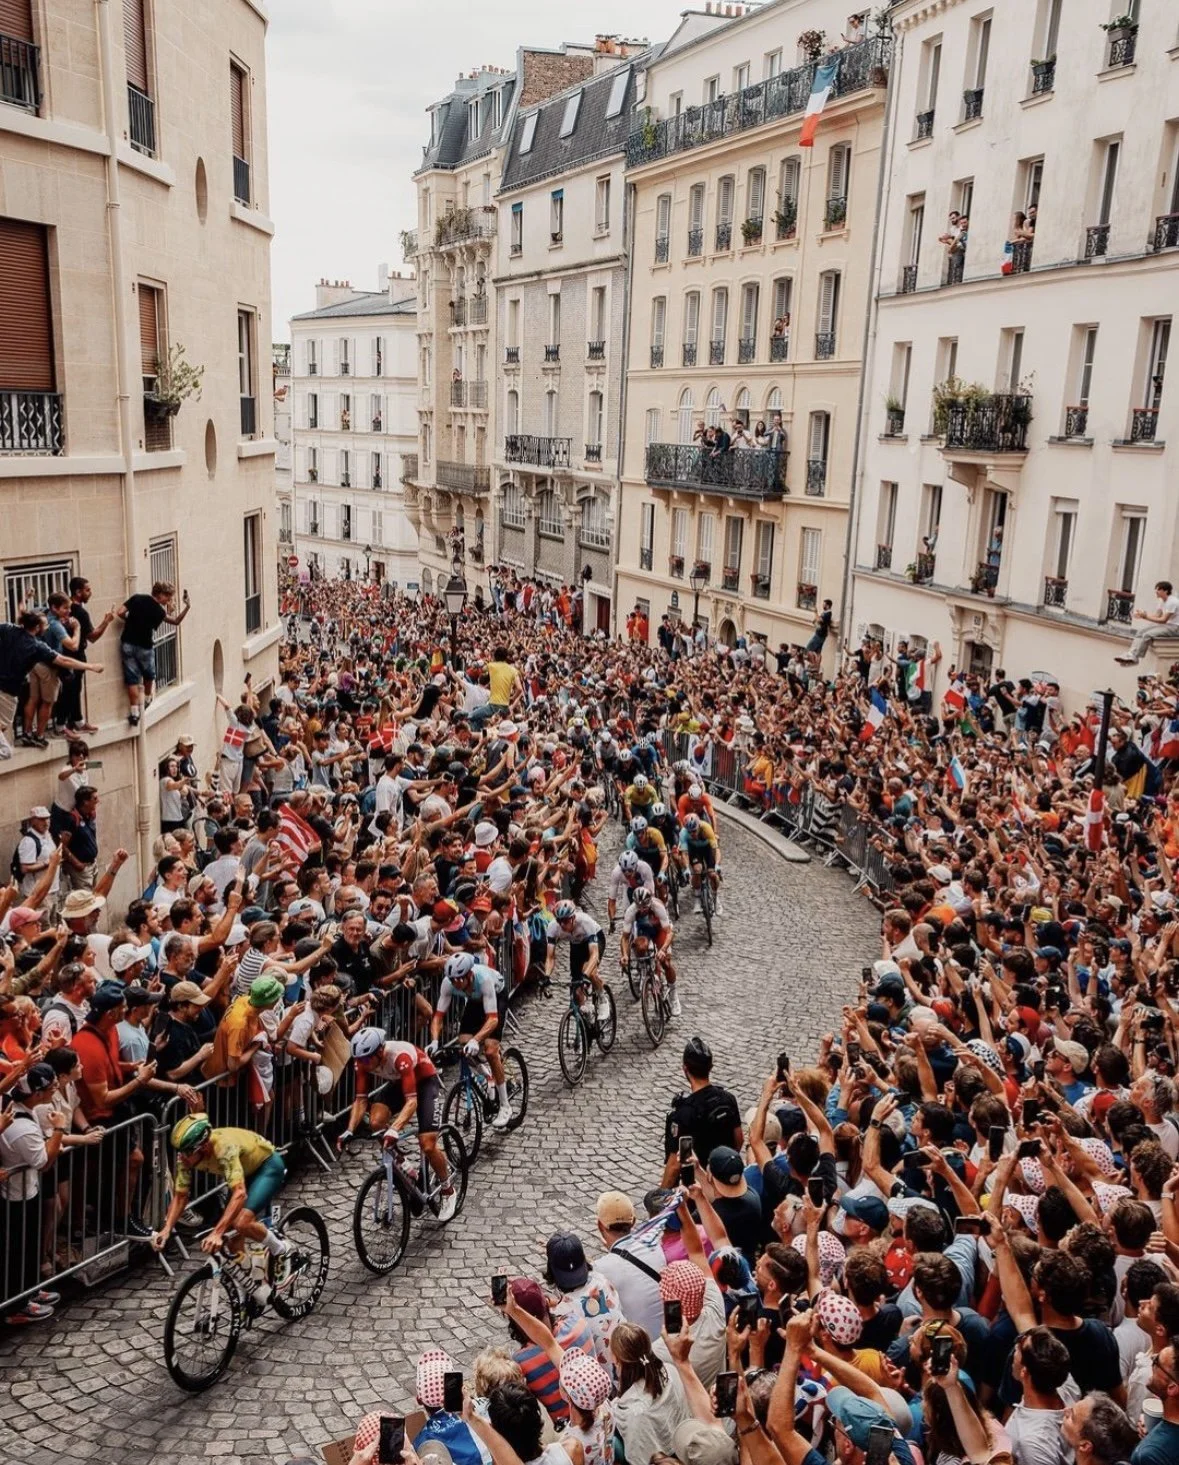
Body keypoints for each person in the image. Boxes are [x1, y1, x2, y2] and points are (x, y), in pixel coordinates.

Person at [152, 1113, 295, 1285]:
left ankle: (281, 1248)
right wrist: (167, 1228)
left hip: (267, 1167)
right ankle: (253, 1284)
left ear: (203, 1146)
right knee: (234, 1243)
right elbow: (181, 1196)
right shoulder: (187, 1157)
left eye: (188, 1152)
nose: (182, 1157)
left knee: (241, 1223)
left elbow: (240, 1193)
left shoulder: (223, 1148)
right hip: (243, 1173)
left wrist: (217, 1232)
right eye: (180, 1151)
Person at [339, 1026, 459, 1220]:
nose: (364, 1065)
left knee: (427, 1144)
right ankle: (406, 1168)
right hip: (399, 1083)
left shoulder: (400, 1056)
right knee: (376, 1123)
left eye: (367, 1060)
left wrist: (395, 1129)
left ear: (380, 1051)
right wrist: (349, 1130)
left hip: (425, 1082)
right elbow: (360, 1100)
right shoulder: (362, 1062)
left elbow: (412, 1101)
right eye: (360, 1060)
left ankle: (448, 1189)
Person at [0, 609, 104, 754]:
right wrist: (91, 666)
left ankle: (27, 733)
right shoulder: (36, 646)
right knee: (4, 730)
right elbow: (63, 660)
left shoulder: (8, 629)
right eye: (45, 625)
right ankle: (38, 735)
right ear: (37, 628)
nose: (47, 628)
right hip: (8, 691)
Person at [114, 579, 190, 726]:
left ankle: (134, 713)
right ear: (160, 594)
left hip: (127, 643)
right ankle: (148, 699)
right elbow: (175, 621)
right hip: (144, 647)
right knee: (149, 675)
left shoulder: (136, 598)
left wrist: (130, 619)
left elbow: (120, 612)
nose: (168, 600)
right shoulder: (158, 611)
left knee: (131, 678)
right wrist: (187, 606)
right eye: (168, 597)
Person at [1116, 580, 1179, 665]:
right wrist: (1143, 615)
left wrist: (1145, 617)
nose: (1156, 592)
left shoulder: (1172, 602)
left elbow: (1163, 620)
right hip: (1166, 626)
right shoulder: (1161, 601)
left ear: (1165, 591)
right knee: (1140, 632)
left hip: (1174, 628)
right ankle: (1131, 654)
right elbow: (1157, 615)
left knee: (1147, 635)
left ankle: (1135, 657)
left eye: (1158, 590)